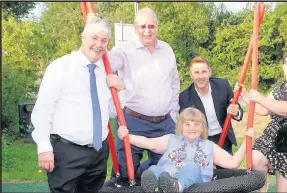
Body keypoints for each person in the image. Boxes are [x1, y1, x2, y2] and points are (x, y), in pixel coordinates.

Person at [31, 16, 121, 193]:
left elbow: (110, 111)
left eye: (104, 40)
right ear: (83, 37)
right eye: (94, 38)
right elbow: (43, 110)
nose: (98, 44)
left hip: (98, 152)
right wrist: (43, 146)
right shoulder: (61, 67)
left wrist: (120, 89)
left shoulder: (106, 71)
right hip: (67, 151)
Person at [107, 7, 180, 184]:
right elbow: (107, 61)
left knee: (164, 172)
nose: (147, 31)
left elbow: (174, 82)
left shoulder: (167, 49)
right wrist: (95, 29)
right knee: (126, 172)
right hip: (133, 121)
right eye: (142, 27)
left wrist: (173, 114)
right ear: (135, 28)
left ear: (157, 26)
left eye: (151, 26)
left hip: (164, 123)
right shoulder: (124, 49)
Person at [235, 49, 287, 192]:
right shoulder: (278, 88)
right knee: (255, 157)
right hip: (272, 138)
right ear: (283, 66)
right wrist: (245, 95)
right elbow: (263, 109)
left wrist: (258, 97)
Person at [116, 107, 252, 192]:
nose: (192, 128)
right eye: (187, 124)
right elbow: (148, 143)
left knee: (191, 168)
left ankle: (177, 187)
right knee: (153, 170)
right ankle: (157, 188)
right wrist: (127, 136)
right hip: (166, 179)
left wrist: (247, 142)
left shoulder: (209, 146)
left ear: (203, 127)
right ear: (181, 126)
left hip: (195, 185)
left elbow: (233, 162)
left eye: (196, 124)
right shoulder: (170, 139)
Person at [179, 56, 243, 162]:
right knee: (206, 176)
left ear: (209, 72)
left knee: (227, 174)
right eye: (196, 72)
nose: (201, 76)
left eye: (204, 72)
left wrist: (236, 112)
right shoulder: (184, 97)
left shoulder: (223, 85)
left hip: (223, 137)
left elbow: (237, 109)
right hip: (201, 141)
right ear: (191, 75)